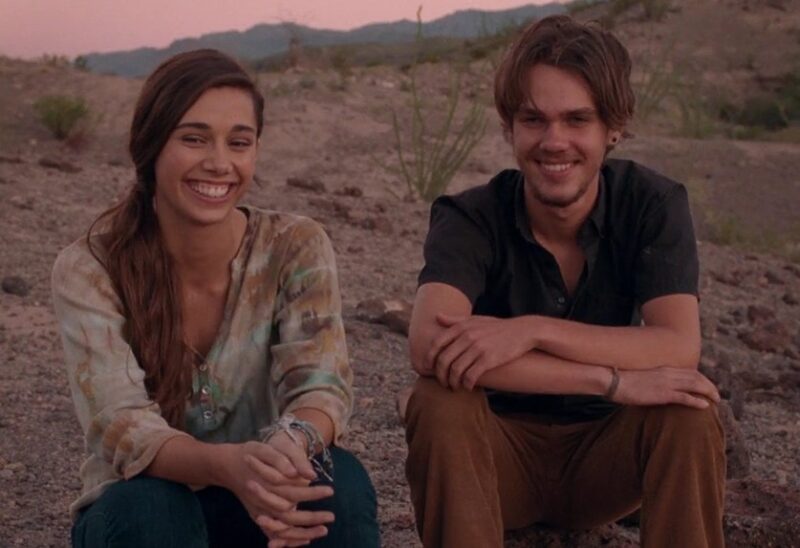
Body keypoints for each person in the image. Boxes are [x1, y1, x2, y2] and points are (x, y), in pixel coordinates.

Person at [404, 15, 725, 548]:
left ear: (613, 128)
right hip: (494, 460)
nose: (555, 142)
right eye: (534, 119)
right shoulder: (471, 216)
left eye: (577, 119)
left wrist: (532, 330)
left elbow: (677, 345)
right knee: (438, 399)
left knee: (687, 410)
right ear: (510, 127)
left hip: (608, 462)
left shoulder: (652, 203)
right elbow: (429, 345)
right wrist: (610, 380)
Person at [52, 49, 379, 548]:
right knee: (152, 506)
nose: (219, 163)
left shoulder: (294, 245)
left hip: (262, 500)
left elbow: (321, 384)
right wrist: (228, 467)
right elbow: (120, 425)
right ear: (151, 145)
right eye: (194, 138)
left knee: (338, 485)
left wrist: (291, 442)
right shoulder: (91, 268)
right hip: (142, 514)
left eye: (239, 142)